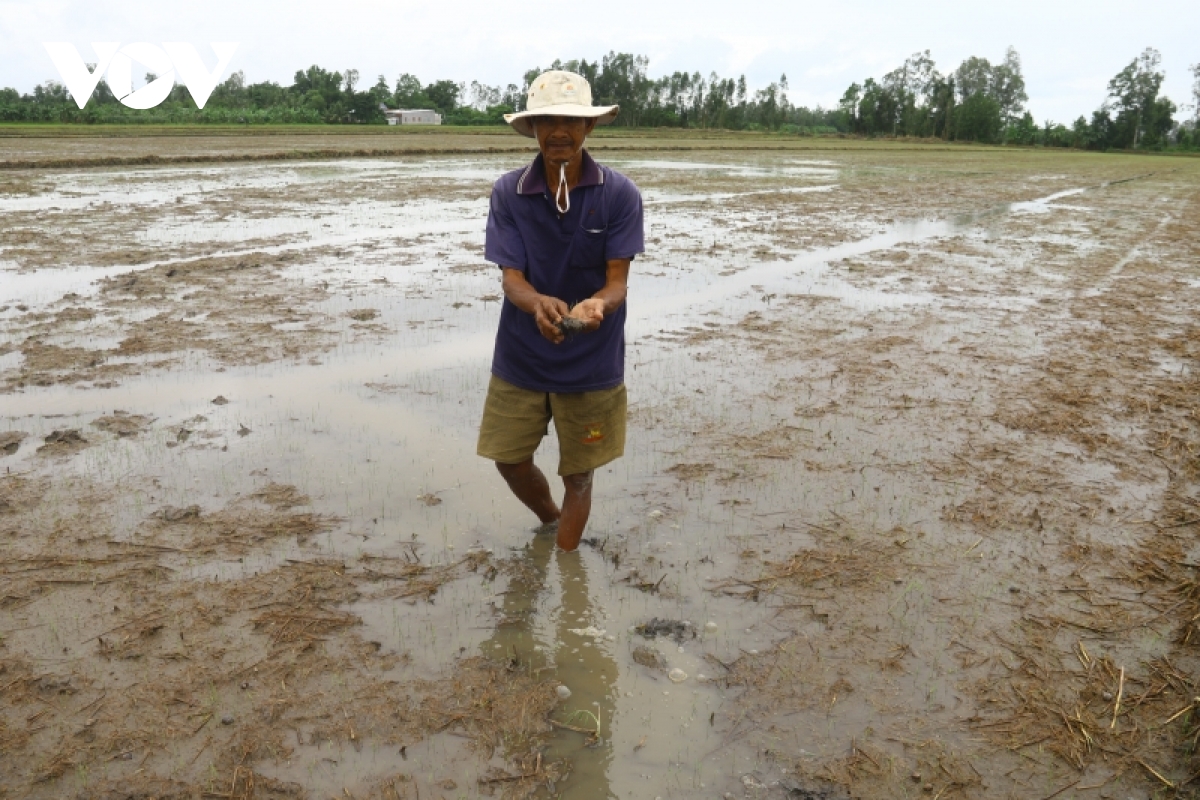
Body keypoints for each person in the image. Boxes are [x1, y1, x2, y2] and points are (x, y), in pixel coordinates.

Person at [477, 69, 644, 552]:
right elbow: (512, 279)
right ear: (531, 129)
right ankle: (551, 523)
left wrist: (596, 306)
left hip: (592, 357)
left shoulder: (619, 195)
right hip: (521, 356)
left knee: (580, 475)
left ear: (589, 128)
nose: (559, 131)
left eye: (570, 120)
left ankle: (566, 562)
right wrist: (537, 304)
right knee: (508, 459)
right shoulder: (508, 192)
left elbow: (617, 283)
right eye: (546, 120)